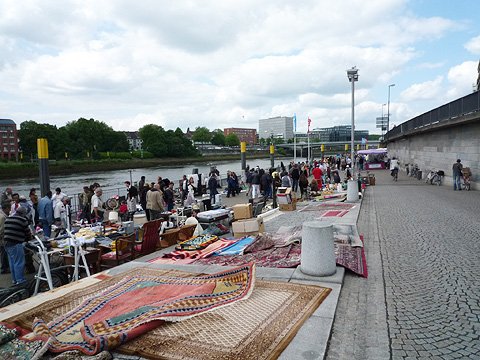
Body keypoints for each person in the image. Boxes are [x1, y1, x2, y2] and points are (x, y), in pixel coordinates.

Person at [4, 206, 32, 285]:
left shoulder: (8, 219)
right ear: (23, 214)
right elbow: (27, 232)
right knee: (19, 263)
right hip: (15, 243)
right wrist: (28, 239)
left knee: (12, 263)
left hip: (6, 243)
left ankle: (15, 280)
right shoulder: (22, 220)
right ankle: (20, 281)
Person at [0, 202, 10, 274]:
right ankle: (4, 268)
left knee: (2, 253)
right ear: (6, 208)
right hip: (3, 238)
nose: (9, 210)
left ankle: (4, 267)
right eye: (9, 208)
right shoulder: (3, 217)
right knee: (4, 253)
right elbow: (2, 229)